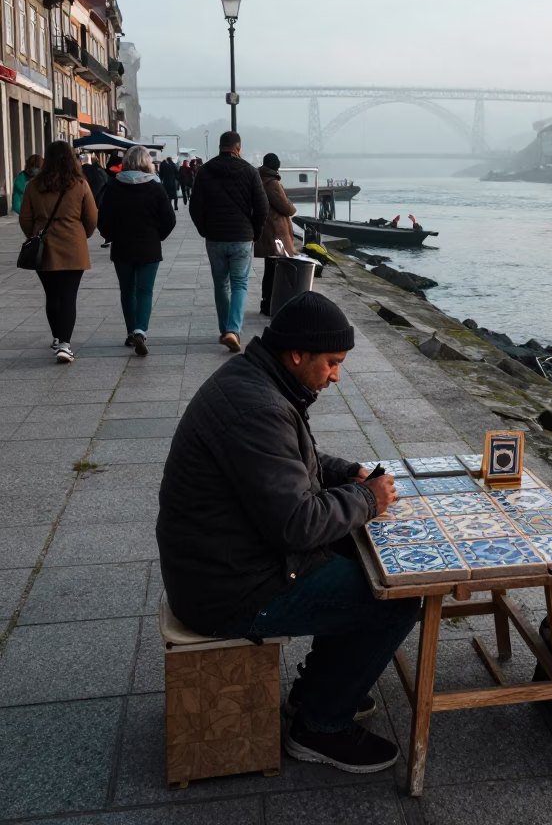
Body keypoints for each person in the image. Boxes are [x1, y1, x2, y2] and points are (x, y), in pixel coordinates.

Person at [156, 291, 417, 774]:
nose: (336, 375)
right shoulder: (258, 407)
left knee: (358, 559)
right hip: (229, 589)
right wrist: (367, 499)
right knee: (394, 596)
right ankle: (320, 726)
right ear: (298, 354)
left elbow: (292, 465)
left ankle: (314, 693)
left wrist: (346, 474)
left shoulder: (259, 381)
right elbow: (298, 525)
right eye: (333, 363)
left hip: (223, 560)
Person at [18, 140, 98, 363]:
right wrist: (82, 235)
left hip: (45, 246)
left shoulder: (34, 185)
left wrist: (35, 235)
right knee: (68, 297)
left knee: (52, 295)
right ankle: (65, 344)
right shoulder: (80, 183)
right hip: (74, 245)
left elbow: (25, 218)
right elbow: (91, 217)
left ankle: (56, 337)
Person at [189, 130, 268, 352]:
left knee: (220, 284)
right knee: (240, 283)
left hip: (215, 236)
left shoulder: (205, 171)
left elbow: (195, 206)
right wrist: (256, 231)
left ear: (220, 146)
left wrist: (204, 229)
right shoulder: (250, 171)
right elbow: (262, 207)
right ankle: (233, 330)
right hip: (242, 236)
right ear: (238, 148)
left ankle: (225, 330)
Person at [97, 146, 177, 356]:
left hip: (123, 247)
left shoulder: (114, 186)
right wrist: (158, 236)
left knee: (127, 290)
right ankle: (141, 330)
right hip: (149, 247)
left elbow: (103, 220)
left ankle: (131, 331)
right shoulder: (156, 187)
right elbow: (169, 219)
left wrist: (112, 235)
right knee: (145, 290)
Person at [255, 153, 298, 315]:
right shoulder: (272, 183)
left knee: (270, 269)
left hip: (267, 231)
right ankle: (272, 304)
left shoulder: (260, 179)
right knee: (275, 270)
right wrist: (293, 209)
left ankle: (266, 303)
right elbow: (285, 206)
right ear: (274, 165)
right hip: (276, 233)